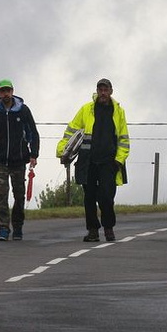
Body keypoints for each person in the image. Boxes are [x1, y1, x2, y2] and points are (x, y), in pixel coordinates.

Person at [56, 78, 129, 242]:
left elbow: (124, 139)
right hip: (88, 161)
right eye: (100, 89)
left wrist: (119, 160)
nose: (103, 93)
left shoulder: (119, 112)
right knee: (89, 197)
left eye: (105, 90)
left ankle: (109, 228)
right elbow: (71, 131)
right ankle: (93, 231)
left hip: (109, 162)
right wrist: (62, 151)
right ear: (97, 91)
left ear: (111, 91)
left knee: (106, 197)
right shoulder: (86, 109)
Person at [0, 79, 40, 241]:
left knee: (19, 195)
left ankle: (18, 227)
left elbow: (33, 134)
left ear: (13, 91)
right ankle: (3, 228)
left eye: (8, 90)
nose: (6, 94)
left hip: (19, 161)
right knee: (2, 194)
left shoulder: (23, 111)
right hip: (1, 161)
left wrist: (33, 155)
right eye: (2, 91)